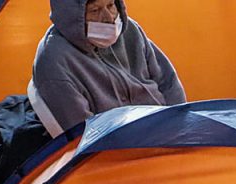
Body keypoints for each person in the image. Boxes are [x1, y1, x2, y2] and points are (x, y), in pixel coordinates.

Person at [30, 0, 187, 137]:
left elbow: (168, 83)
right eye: (95, 10)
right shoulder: (54, 58)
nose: (108, 18)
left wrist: (178, 124)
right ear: (71, 15)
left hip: (166, 130)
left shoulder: (130, 30)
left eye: (111, 5)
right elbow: (83, 132)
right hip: (118, 148)